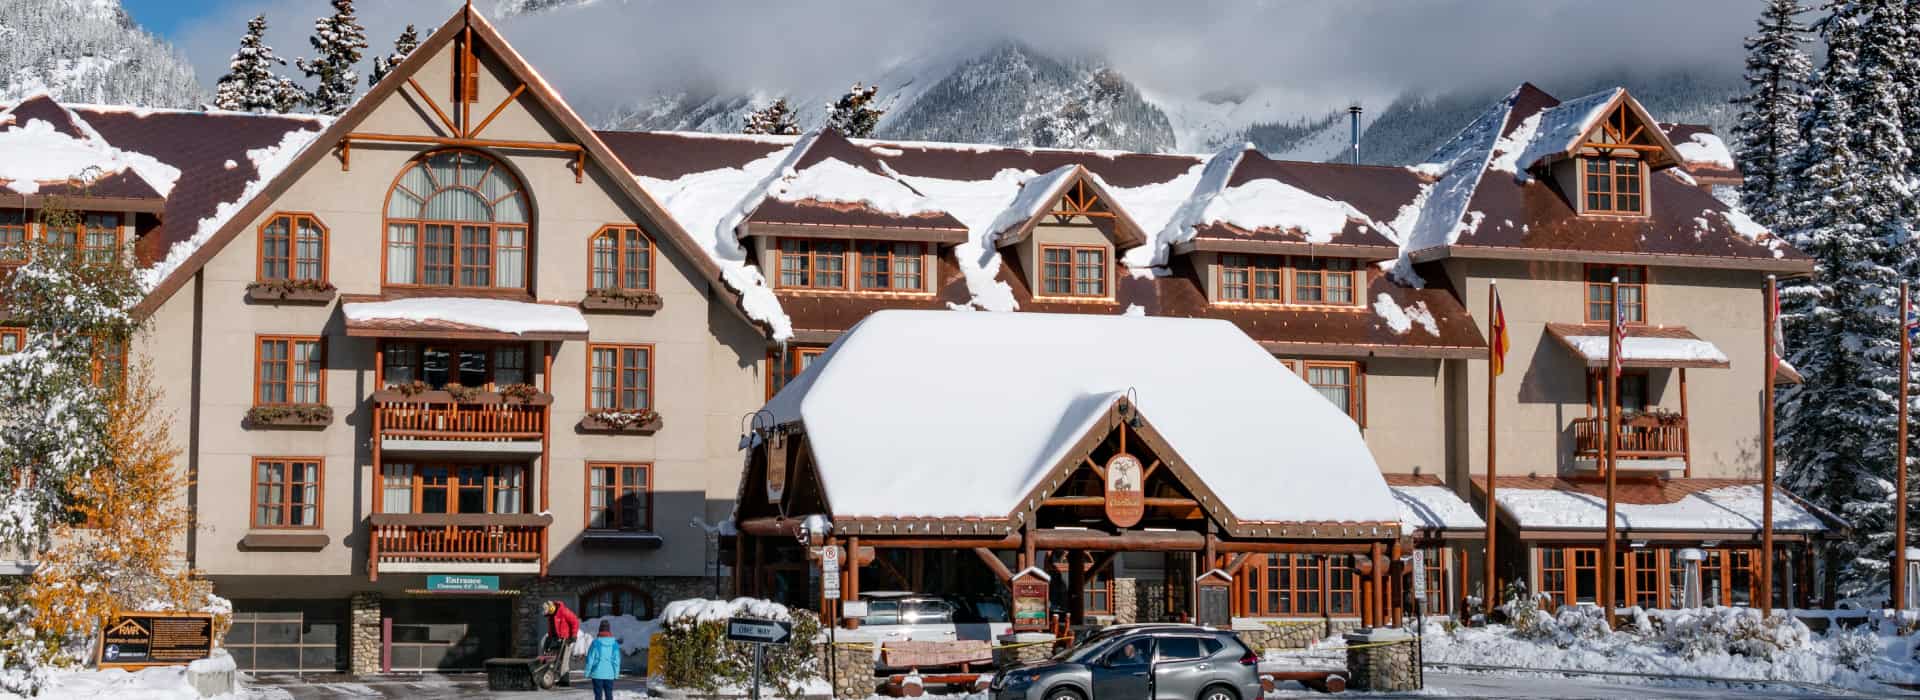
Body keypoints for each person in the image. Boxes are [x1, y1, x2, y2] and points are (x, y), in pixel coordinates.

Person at [544, 600, 581, 687]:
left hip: (566, 639)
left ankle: (564, 681)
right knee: (552, 659)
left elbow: (575, 621)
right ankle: (553, 676)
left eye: (548, 612)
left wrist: (574, 635)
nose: (548, 615)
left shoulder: (563, 611)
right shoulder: (551, 615)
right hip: (555, 639)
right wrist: (549, 637)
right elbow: (551, 628)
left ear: (551, 608)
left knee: (564, 660)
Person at [584, 619, 621, 700]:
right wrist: (616, 674)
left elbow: (590, 659)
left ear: (600, 629)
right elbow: (616, 660)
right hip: (609, 674)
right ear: (609, 630)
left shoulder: (595, 642)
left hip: (597, 674)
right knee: (609, 695)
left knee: (598, 696)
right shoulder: (614, 644)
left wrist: (587, 672)